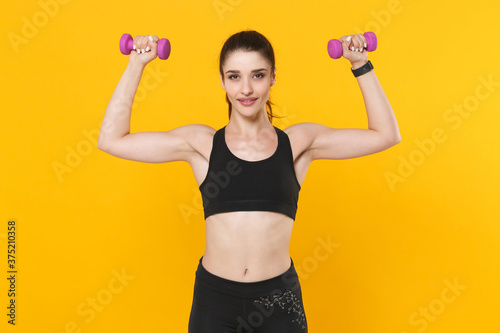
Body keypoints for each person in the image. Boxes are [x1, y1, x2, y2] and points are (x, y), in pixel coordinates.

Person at [97, 30, 401, 333]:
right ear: (222, 81)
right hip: (215, 302)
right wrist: (136, 64)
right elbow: (111, 140)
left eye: (257, 75)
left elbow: (386, 135)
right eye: (234, 76)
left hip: (278, 303)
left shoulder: (298, 143)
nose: (246, 89)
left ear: (273, 77)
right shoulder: (202, 144)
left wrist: (360, 64)